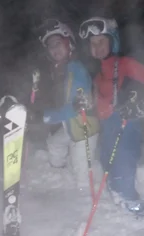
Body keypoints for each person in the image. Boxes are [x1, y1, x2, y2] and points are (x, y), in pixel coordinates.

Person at [79, 17, 144, 214]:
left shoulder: (124, 64)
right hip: (107, 128)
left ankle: (136, 211)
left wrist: (141, 103)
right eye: (92, 43)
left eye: (101, 41)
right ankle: (120, 203)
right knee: (108, 164)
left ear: (113, 41)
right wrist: (85, 104)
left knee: (122, 167)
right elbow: (98, 103)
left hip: (126, 125)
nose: (96, 47)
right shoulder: (98, 74)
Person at [35, 19, 101, 189]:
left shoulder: (75, 69)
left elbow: (74, 108)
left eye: (58, 43)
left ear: (69, 44)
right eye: (50, 46)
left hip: (84, 129)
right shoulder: (58, 71)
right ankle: (58, 174)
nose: (55, 49)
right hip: (70, 126)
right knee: (54, 144)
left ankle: (84, 199)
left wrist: (46, 117)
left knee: (82, 174)